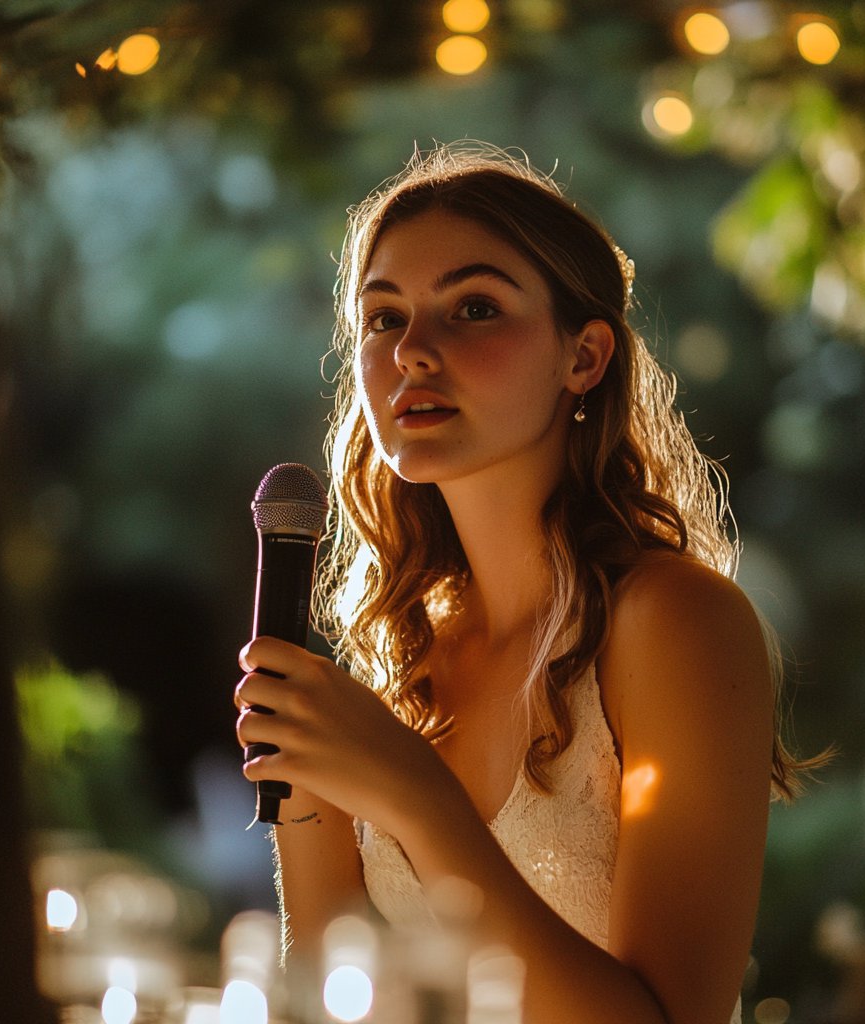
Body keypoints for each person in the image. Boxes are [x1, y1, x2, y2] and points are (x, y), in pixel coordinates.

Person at [235, 141, 818, 1024]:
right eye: (384, 319)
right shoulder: (391, 666)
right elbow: (320, 1000)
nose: (414, 353)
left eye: (472, 308)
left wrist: (414, 799)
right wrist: (308, 803)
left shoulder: (674, 622)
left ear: (583, 357)